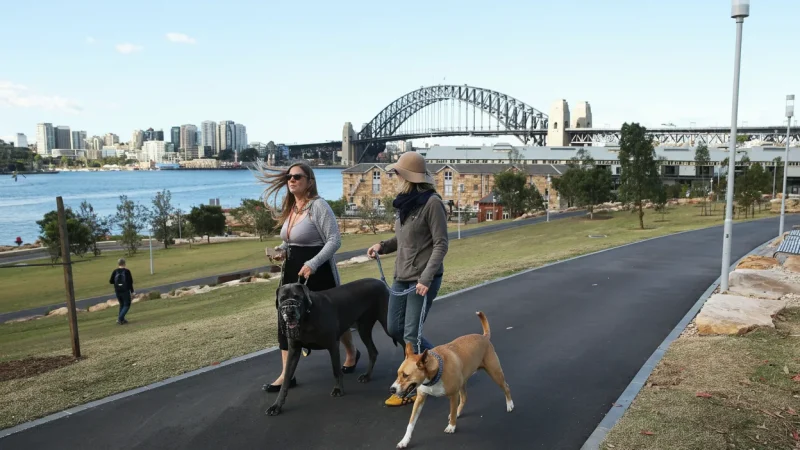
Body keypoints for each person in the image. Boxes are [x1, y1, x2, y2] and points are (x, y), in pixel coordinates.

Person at [256, 161, 359, 393]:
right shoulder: (293, 207)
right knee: (285, 318)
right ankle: (287, 375)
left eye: (297, 177)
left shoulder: (318, 206)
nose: (291, 180)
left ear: (309, 181)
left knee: (334, 318)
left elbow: (334, 240)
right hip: (292, 272)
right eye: (289, 177)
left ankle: (352, 353)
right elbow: (291, 239)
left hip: (319, 272)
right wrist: (281, 250)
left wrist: (313, 263)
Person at [367, 151, 449, 406]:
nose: (395, 177)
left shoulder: (432, 204)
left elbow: (441, 244)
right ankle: (439, 363)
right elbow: (404, 239)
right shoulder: (406, 203)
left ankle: (411, 388)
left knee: (411, 335)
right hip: (401, 276)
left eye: (397, 173)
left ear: (408, 177)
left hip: (422, 280)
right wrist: (382, 246)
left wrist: (426, 278)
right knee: (394, 328)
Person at [109, 258, 134, 325]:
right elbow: (130, 282)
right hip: (125, 290)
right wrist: (132, 292)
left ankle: (122, 319)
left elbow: (111, 281)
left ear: (118, 264)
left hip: (117, 290)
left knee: (122, 304)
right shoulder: (127, 271)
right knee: (127, 304)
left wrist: (118, 283)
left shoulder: (115, 271)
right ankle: (120, 318)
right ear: (124, 263)